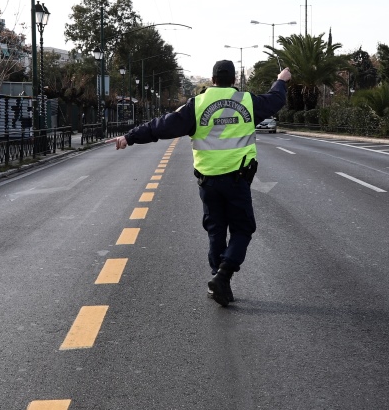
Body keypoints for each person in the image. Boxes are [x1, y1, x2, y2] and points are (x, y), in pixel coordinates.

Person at [110, 60, 291, 306]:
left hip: (208, 182)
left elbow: (161, 126)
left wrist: (129, 137)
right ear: (234, 80)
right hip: (238, 180)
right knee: (242, 229)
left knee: (216, 230)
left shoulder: (197, 105)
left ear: (213, 80)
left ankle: (218, 279)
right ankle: (224, 275)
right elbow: (275, 100)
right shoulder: (246, 101)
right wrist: (281, 80)